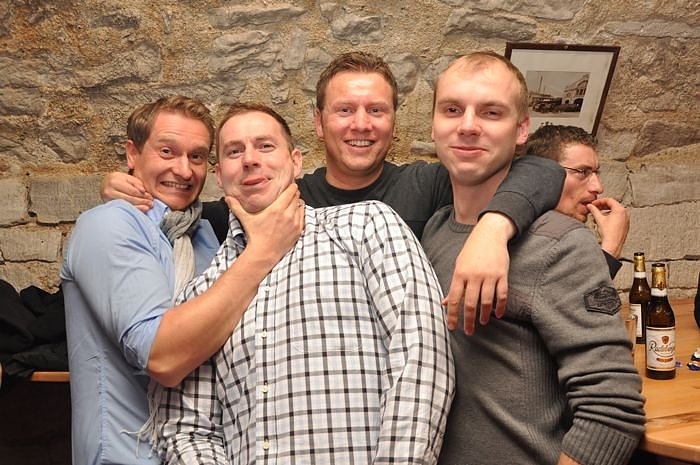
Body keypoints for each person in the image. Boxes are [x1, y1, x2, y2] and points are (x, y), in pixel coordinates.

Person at [102, 51, 566, 334]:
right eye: (345, 110)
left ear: (394, 123)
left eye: (376, 110)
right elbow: (185, 205)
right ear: (320, 124)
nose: (361, 124)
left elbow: (542, 171)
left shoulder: (425, 185)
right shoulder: (280, 200)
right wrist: (128, 186)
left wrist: (492, 228)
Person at [151, 103, 454, 464]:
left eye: (265, 146)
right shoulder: (200, 293)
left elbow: (421, 354)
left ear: (295, 161)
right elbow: (185, 428)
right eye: (234, 151)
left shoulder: (365, 226)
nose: (250, 160)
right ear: (219, 175)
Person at [421, 52, 645, 465]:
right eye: (452, 110)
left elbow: (612, 410)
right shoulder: (434, 229)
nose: (467, 125)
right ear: (434, 124)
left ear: (521, 129)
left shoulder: (560, 244)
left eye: (491, 112)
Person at [61, 96, 304, 465]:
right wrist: (263, 252)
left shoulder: (205, 234)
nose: (184, 170)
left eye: (197, 156)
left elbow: (266, 187)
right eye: (167, 151)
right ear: (132, 154)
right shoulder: (108, 224)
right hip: (131, 455)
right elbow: (163, 357)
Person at [523, 124, 630, 278]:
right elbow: (588, 293)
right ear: (546, 174)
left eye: (595, 172)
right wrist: (612, 246)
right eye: (583, 172)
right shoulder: (547, 242)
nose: (598, 187)